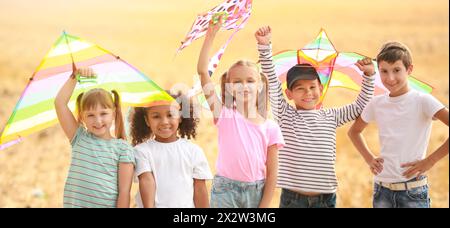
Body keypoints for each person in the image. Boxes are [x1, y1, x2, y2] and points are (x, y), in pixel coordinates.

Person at [255, 26, 375, 208]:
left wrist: (369, 75)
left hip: (326, 199)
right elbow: (271, 80)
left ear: (321, 88)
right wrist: (264, 47)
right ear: (289, 94)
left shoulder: (331, 116)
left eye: (312, 87)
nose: (308, 93)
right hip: (293, 200)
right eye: (300, 88)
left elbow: (360, 105)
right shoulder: (286, 115)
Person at [348, 41, 449, 208]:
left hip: (413, 192)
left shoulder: (422, 101)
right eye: (384, 71)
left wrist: (430, 161)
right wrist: (369, 158)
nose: (390, 78)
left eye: (396, 70)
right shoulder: (377, 103)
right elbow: (354, 132)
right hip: (382, 191)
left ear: (409, 69)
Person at [198, 18, 285, 208]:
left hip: (257, 192)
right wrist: (210, 36)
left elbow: (272, 174)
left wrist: (263, 207)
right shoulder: (224, 114)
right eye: (237, 82)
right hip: (225, 191)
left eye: (250, 81)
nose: (244, 86)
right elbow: (203, 72)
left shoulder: (271, 127)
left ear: (261, 86)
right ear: (229, 87)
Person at [55, 68, 135, 208]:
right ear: (82, 116)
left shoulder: (122, 148)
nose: (98, 121)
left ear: (114, 113)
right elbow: (59, 103)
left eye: (103, 113)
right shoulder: (79, 138)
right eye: (90, 115)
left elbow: (124, 192)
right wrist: (74, 77)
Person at [131, 91, 213, 208]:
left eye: (170, 115)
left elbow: (200, 189)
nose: (164, 122)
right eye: (156, 116)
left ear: (180, 117)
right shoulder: (141, 151)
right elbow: (146, 181)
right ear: (147, 120)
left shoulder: (193, 151)